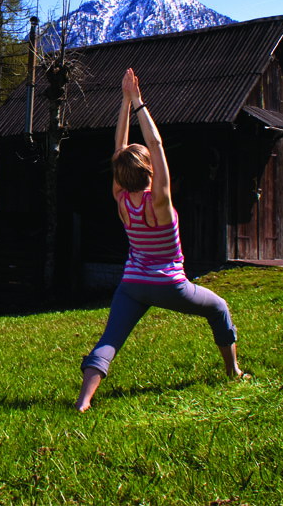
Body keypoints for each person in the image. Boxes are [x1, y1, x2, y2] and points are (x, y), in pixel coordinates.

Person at [75, 68, 245, 412]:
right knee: (219, 308)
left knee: (110, 341)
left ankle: (83, 400)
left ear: (121, 173)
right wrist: (137, 102)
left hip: (132, 285)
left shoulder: (121, 198)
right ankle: (233, 370)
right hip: (171, 285)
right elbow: (155, 143)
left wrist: (122, 103)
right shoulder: (161, 203)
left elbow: (118, 149)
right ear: (150, 170)